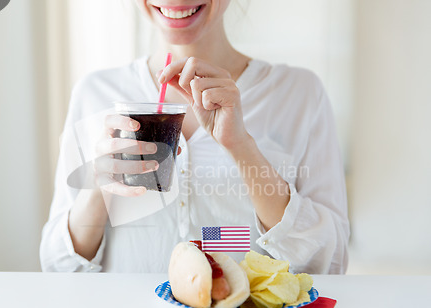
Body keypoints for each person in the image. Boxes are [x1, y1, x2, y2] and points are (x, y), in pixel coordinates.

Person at [40, 0, 350, 274]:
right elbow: (57, 267)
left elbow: (329, 262)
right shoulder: (95, 93)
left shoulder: (299, 94)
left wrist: (241, 146)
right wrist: (97, 188)